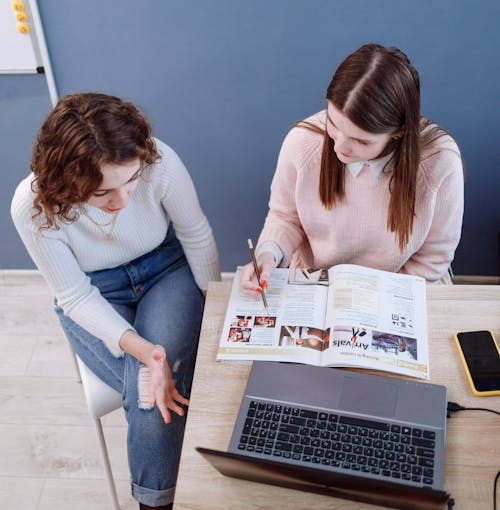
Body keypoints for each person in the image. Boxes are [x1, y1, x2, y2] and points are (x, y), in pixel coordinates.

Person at [11, 92, 220, 510]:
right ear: (65, 180)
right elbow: (74, 295)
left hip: (166, 270)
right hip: (94, 293)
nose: (122, 200)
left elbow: (196, 234)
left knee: (153, 395)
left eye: (130, 181)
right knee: (149, 393)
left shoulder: (159, 160)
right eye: (102, 192)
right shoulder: (31, 207)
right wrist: (146, 353)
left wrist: (214, 319)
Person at [240, 43, 463, 296]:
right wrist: (268, 254)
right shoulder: (302, 142)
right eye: (332, 123)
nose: (339, 147)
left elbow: (432, 260)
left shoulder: (439, 161)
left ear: (399, 132)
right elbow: (285, 218)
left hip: (402, 291)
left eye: (362, 140)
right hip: (316, 287)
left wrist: (374, 300)